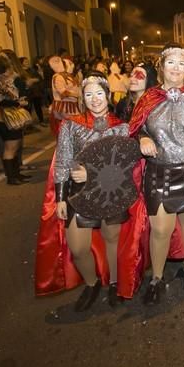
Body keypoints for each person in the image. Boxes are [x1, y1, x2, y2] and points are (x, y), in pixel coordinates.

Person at [129, 43, 184, 304]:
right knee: (160, 230)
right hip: (159, 173)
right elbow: (134, 129)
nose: (177, 68)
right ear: (161, 67)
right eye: (171, 62)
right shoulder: (148, 98)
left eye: (182, 63)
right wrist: (142, 138)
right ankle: (156, 278)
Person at [50, 72, 130, 309]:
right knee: (78, 248)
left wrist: (93, 173)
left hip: (111, 192)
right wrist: (61, 198)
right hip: (79, 193)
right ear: (82, 98)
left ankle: (115, 282)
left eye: (99, 93)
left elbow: (126, 166)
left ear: (108, 95)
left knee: (112, 240)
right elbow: (64, 161)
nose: (95, 99)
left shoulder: (122, 126)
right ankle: (92, 283)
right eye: (88, 94)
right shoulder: (71, 125)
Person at [0, 55, 30, 185]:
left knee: (15, 145)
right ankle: (11, 178)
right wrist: (18, 103)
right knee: (10, 148)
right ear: (4, 69)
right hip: (6, 117)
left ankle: (16, 174)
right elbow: (1, 101)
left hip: (4, 117)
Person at [49, 55, 81, 136]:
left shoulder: (68, 76)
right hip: (64, 107)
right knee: (70, 129)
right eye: (69, 64)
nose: (71, 66)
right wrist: (77, 94)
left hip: (72, 105)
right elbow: (63, 93)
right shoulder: (58, 77)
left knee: (74, 129)